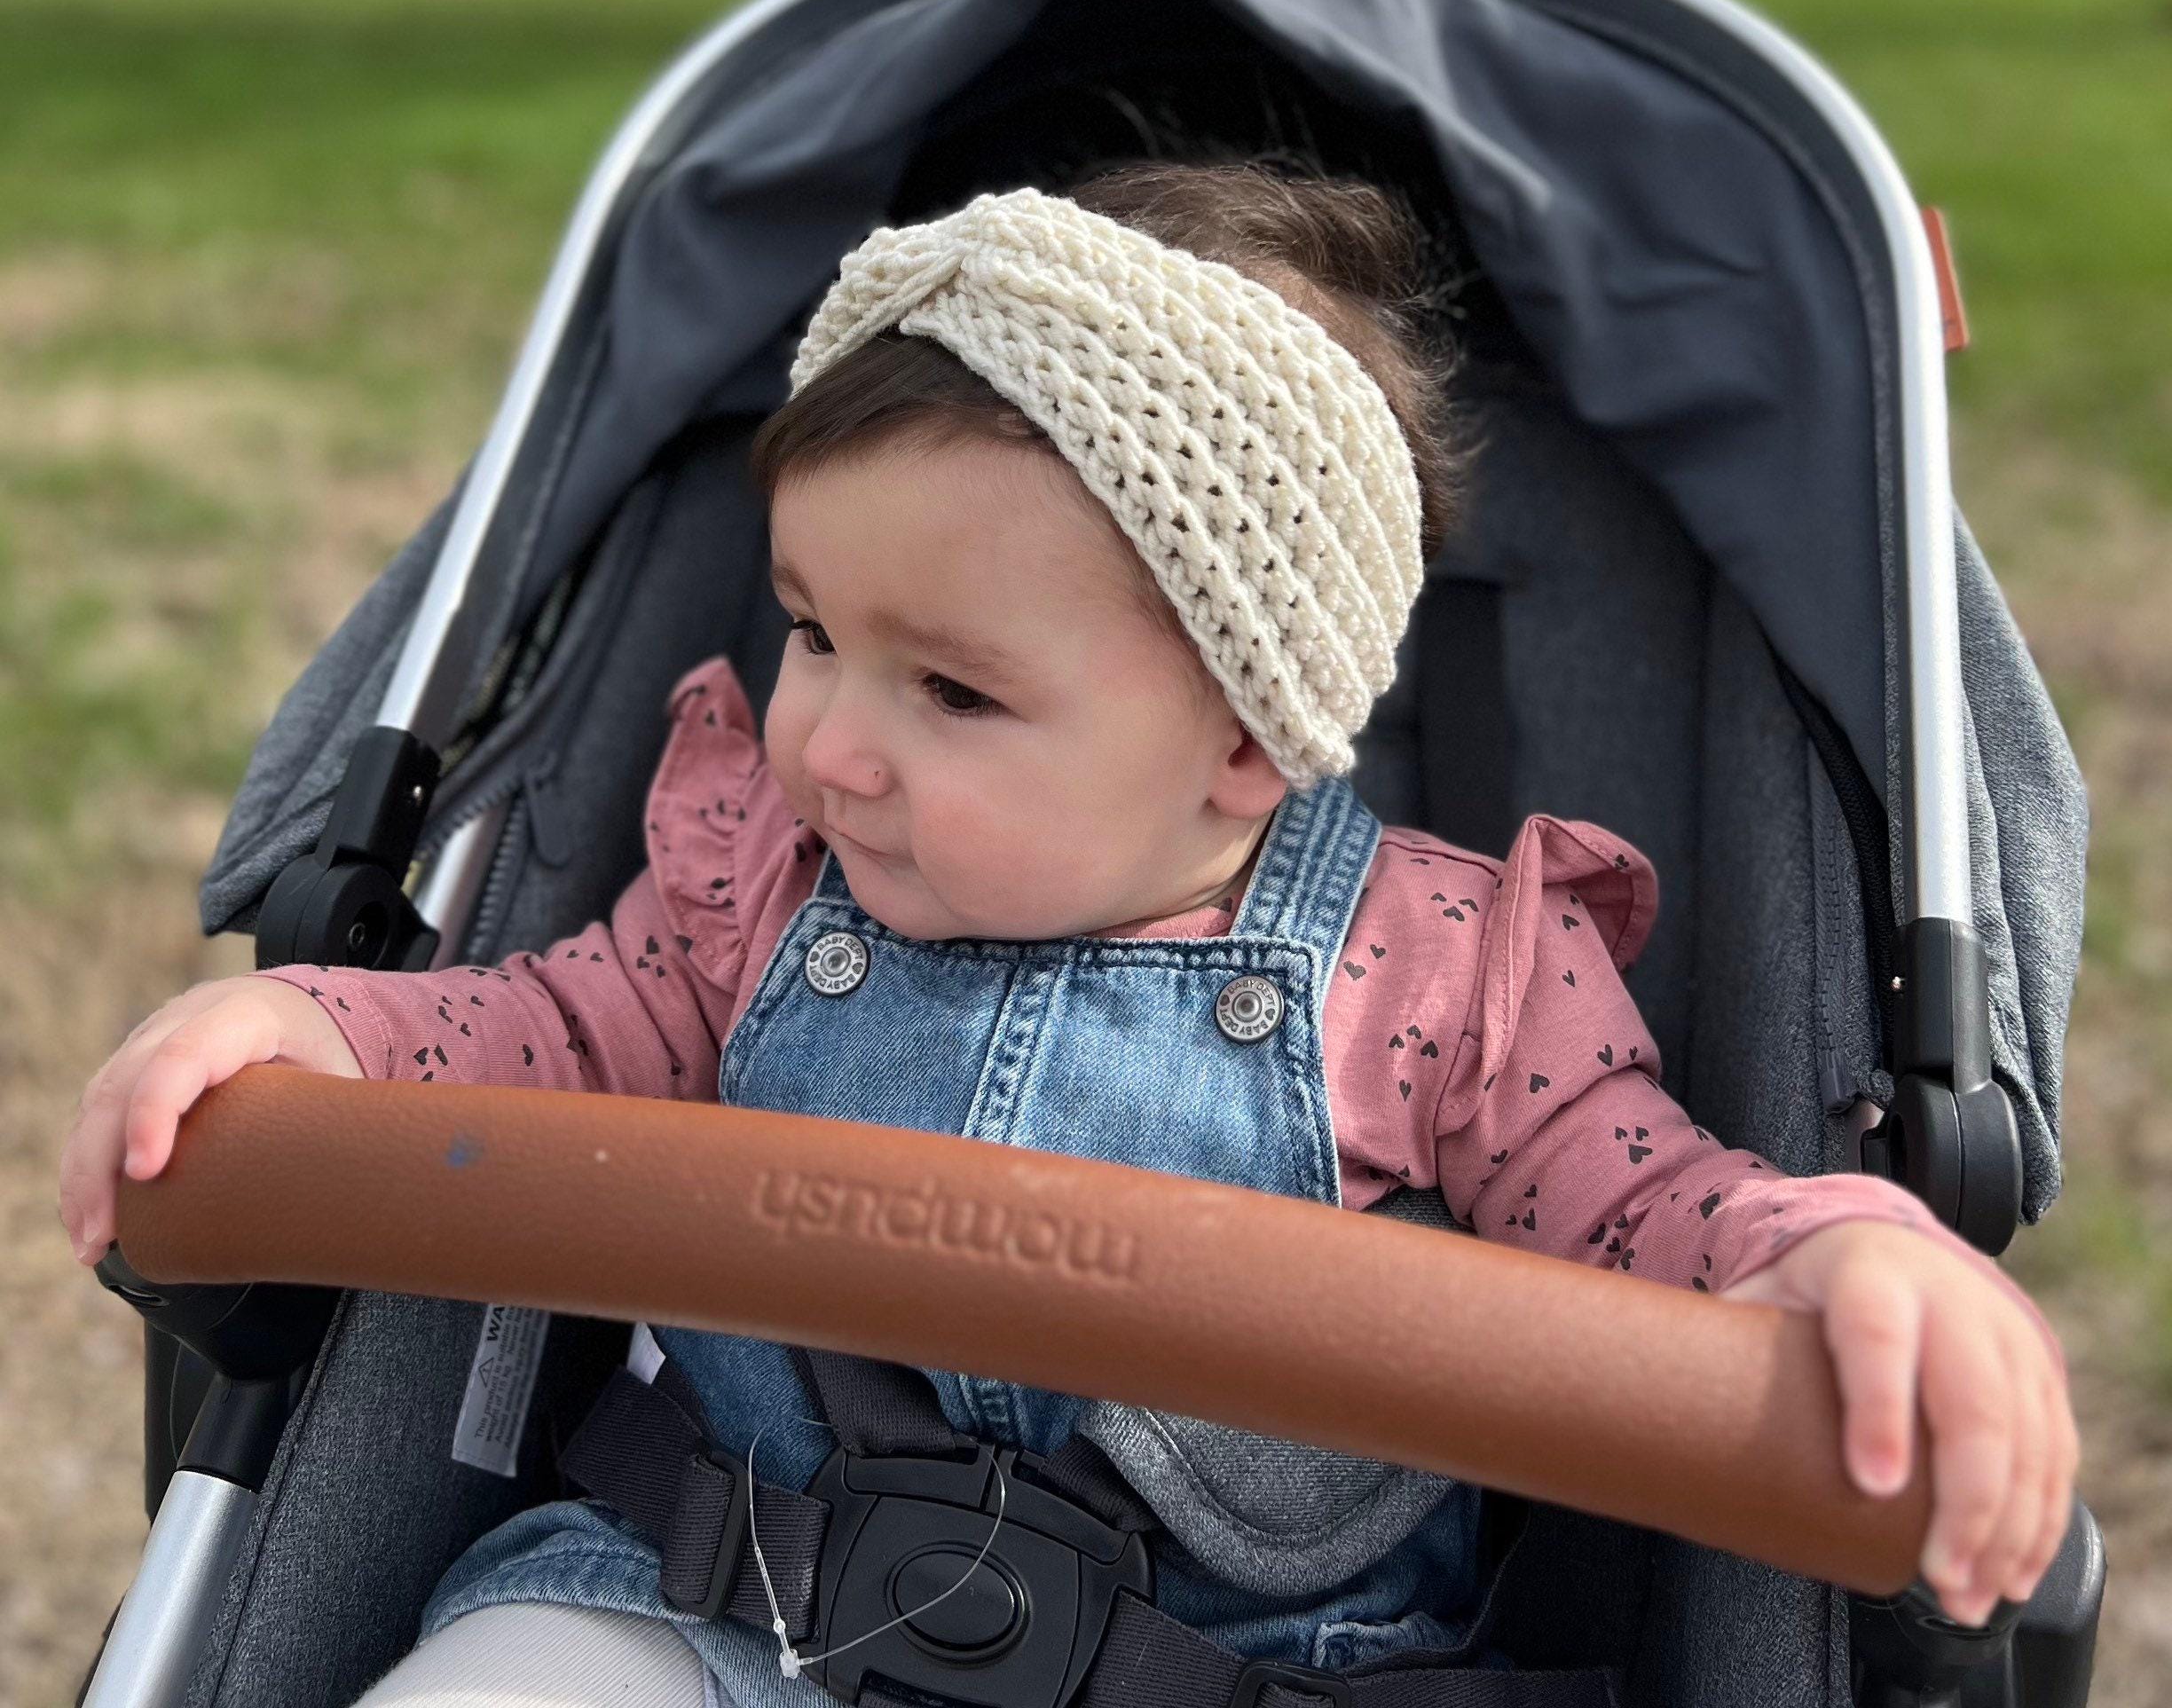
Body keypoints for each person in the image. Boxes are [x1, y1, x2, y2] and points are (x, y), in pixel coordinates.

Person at [60, 165, 2078, 1708]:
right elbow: (548, 1034)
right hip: (695, 1603)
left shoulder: (1444, 977)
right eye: (811, 628)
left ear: (1239, 739)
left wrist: (1838, 1258)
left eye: (950, 692)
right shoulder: (758, 872)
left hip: (1255, 1673)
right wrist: (325, 1043)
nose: (827, 738)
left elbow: (1651, 1213)